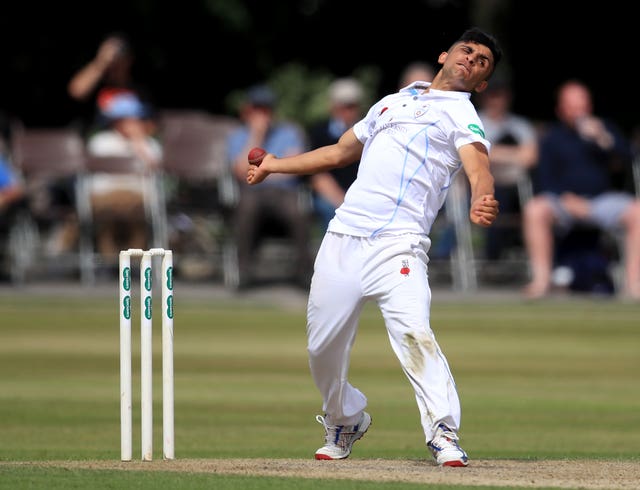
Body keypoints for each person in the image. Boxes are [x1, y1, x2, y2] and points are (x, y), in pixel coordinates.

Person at [247, 27, 502, 466]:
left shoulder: (461, 112)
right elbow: (340, 152)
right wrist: (275, 166)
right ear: (444, 55)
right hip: (344, 237)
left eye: (482, 62)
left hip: (399, 245)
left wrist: (482, 193)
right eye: (467, 51)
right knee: (321, 350)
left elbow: (477, 162)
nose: (472, 60)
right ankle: (345, 418)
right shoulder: (390, 102)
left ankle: (443, 432)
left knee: (414, 333)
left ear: (481, 83)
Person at [522, 80, 640, 300]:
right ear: (560, 109)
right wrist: (567, 200)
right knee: (534, 210)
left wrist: (603, 138)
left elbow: (628, 159)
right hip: (564, 202)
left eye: (582, 104)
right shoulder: (551, 138)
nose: (579, 110)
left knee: (637, 212)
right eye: (572, 105)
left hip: (601, 201)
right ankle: (541, 281)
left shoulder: (604, 130)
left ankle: (634, 284)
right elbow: (543, 179)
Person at [68, 33, 162, 262]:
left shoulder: (138, 88)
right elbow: (76, 91)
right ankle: (108, 262)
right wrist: (101, 62)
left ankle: (134, 263)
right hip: (99, 158)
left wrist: (134, 134)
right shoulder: (97, 83)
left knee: (136, 209)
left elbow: (153, 124)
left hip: (132, 157)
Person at [226, 84, 313, 289]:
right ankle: (244, 272)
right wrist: (256, 136)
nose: (262, 114)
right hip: (252, 191)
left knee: (298, 212)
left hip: (284, 192)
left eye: (266, 109)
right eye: (257, 109)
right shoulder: (237, 136)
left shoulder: (290, 132)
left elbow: (296, 166)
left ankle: (304, 273)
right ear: (248, 110)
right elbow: (239, 171)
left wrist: (263, 171)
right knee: (245, 210)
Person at [477, 79, 538, 261]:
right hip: (484, 187)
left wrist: (494, 152)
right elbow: (477, 156)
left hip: (518, 188)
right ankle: (492, 257)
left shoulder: (520, 125)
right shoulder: (475, 122)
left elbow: (531, 158)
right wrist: (515, 154)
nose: (496, 100)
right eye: (491, 95)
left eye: (500, 95)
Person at [309, 78, 365, 233]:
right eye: (343, 106)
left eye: (351, 106)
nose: (347, 111)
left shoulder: (367, 133)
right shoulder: (319, 132)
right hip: (330, 194)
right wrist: (342, 201)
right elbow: (317, 175)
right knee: (330, 210)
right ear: (333, 106)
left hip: (360, 194)